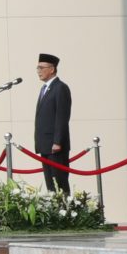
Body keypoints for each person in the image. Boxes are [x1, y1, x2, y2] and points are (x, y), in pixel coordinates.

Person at [32, 55, 72, 193]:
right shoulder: (45, 89)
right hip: (45, 144)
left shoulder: (60, 88)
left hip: (55, 146)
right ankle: (54, 212)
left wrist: (57, 141)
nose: (38, 70)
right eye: (38, 67)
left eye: (41, 67)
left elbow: (62, 116)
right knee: (50, 184)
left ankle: (65, 211)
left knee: (59, 182)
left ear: (52, 69)